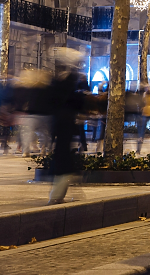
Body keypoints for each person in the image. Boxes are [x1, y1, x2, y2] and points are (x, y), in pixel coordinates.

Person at [46, 48, 92, 203]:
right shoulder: (69, 80)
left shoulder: (63, 81)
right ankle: (60, 188)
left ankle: (58, 191)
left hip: (62, 122)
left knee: (62, 152)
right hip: (64, 122)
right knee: (63, 153)